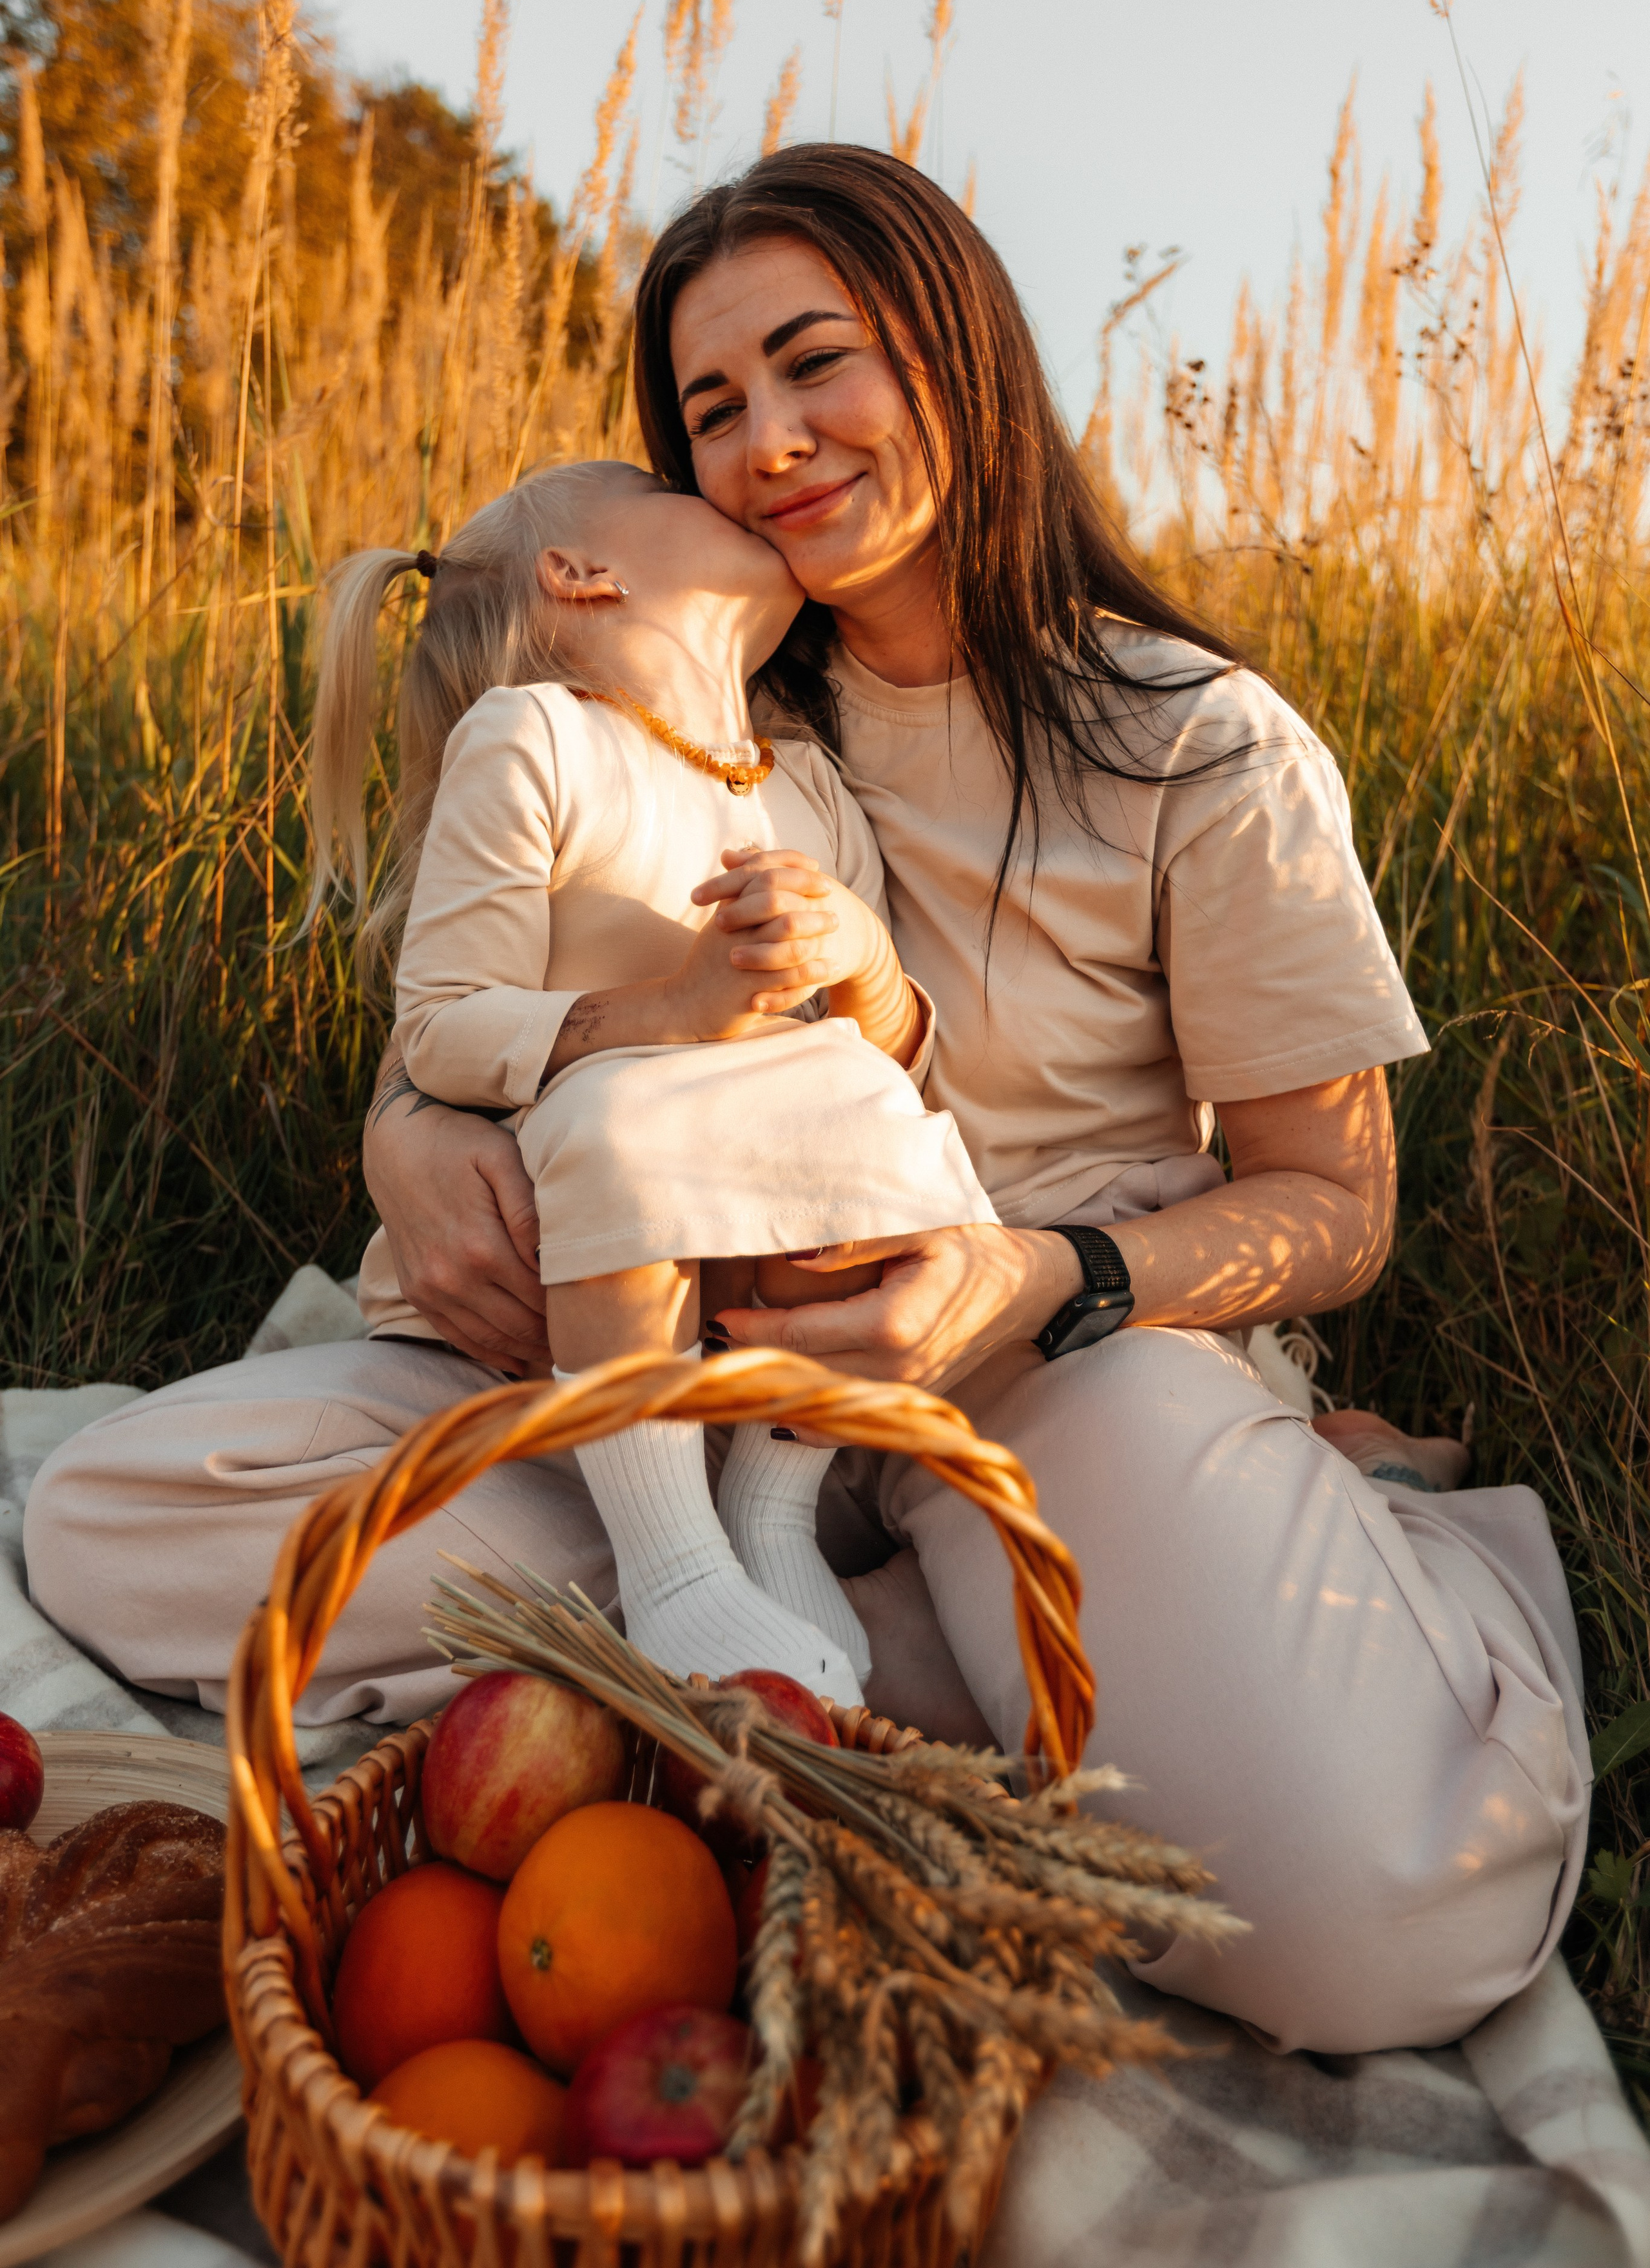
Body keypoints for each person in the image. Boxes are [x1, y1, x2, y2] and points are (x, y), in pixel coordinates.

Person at [24, 146, 1587, 2058]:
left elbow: (1331, 1209)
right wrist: (407, 1140)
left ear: (953, 346)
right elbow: (502, 987)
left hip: (1043, 1367)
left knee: (1374, 1937)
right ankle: (836, 1628)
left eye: (813, 362)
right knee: (115, 1517)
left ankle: (1002, 1605)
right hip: (681, 1362)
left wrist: (1030, 1282)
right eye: (710, 409)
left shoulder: (1197, 744)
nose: (766, 440)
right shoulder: (708, 705)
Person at [307, 455, 994, 1703]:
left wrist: (860, 954)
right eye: (671, 493)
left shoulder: (808, 788)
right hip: (554, 1300)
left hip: (751, 1314)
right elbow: (445, 1027)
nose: (732, 491)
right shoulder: (534, 740)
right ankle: (670, 1555)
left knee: (862, 1105)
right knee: (624, 1113)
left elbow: (899, 1053)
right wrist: (671, 1010)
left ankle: (769, 1510)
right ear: (581, 576)